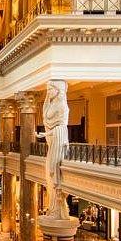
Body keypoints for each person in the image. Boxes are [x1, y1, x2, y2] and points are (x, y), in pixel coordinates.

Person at [42, 80, 70, 219]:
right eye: (47, 89)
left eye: (50, 89)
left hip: (58, 142)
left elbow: (61, 128)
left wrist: (47, 133)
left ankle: (57, 209)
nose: (48, 92)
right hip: (52, 142)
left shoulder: (62, 106)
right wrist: (45, 134)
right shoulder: (51, 104)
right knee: (49, 173)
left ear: (58, 90)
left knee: (54, 172)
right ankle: (53, 208)